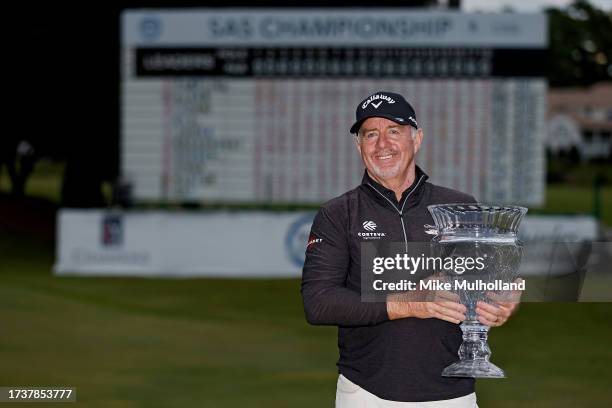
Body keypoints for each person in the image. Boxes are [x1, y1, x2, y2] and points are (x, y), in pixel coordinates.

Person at [301, 91, 519, 407]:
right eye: (370, 134)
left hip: (453, 395)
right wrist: (409, 303)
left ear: (416, 139)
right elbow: (319, 303)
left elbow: (486, 284)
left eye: (394, 131)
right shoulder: (337, 214)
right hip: (366, 393)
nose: (382, 144)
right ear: (358, 146)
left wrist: (501, 299)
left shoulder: (460, 208)